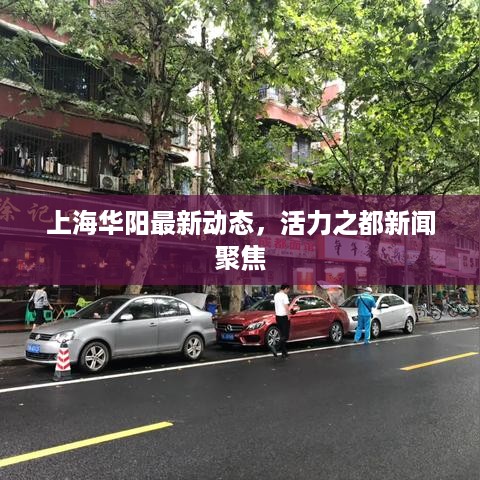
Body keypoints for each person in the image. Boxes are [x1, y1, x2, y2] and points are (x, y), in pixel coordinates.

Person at [273, 284, 291, 358]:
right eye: (288, 290)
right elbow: (286, 306)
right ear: (285, 289)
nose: (288, 291)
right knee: (285, 336)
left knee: (282, 335)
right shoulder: (284, 296)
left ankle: (284, 353)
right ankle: (274, 346)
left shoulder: (276, 295)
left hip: (278, 317)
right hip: (284, 317)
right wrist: (288, 315)